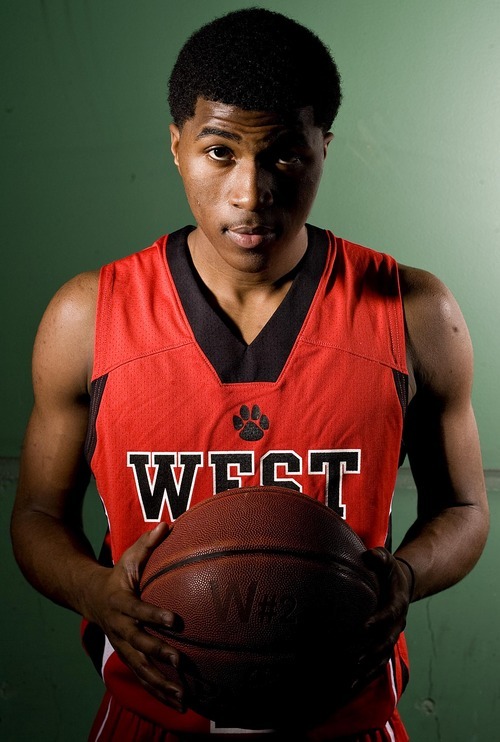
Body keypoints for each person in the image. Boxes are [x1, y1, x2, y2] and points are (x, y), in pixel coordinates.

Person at [11, 7, 489, 741]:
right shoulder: (89, 316)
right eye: (220, 152)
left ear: (325, 147)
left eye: (286, 156)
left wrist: (406, 575)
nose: (251, 191)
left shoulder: (414, 312)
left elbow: (464, 509)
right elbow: (39, 518)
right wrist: (95, 591)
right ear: (176, 147)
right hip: (153, 715)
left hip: (346, 716)